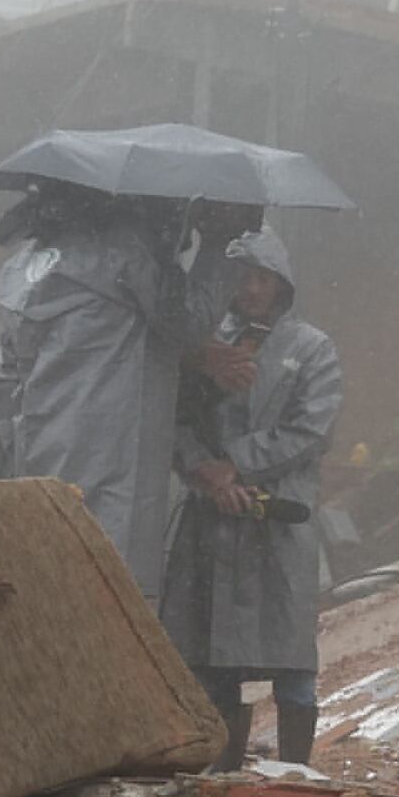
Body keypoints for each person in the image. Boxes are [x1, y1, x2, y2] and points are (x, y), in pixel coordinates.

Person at [167, 228, 341, 766]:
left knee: (291, 659)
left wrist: (237, 463)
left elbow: (311, 430)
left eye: (262, 278)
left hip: (277, 521)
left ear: (282, 284)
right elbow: (177, 417)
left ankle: (296, 769)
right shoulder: (203, 351)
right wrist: (205, 472)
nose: (251, 289)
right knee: (212, 654)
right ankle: (221, 768)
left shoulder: (311, 348)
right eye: (241, 277)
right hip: (212, 518)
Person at [0, 180, 199, 598]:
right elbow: (185, 323)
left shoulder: (18, 269)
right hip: (112, 447)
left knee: (48, 575)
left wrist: (7, 444)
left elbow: (3, 370)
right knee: (113, 586)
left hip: (34, 447)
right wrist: (218, 249)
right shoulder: (126, 255)